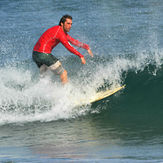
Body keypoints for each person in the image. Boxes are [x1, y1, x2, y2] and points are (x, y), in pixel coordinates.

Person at [32, 15, 93, 84]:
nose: (70, 26)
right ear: (62, 23)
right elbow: (68, 46)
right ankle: (65, 93)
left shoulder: (58, 30)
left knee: (45, 76)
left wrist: (86, 47)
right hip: (44, 54)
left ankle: (42, 91)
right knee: (63, 73)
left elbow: (72, 41)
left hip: (35, 55)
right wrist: (80, 55)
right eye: (68, 23)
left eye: (71, 24)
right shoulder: (59, 32)